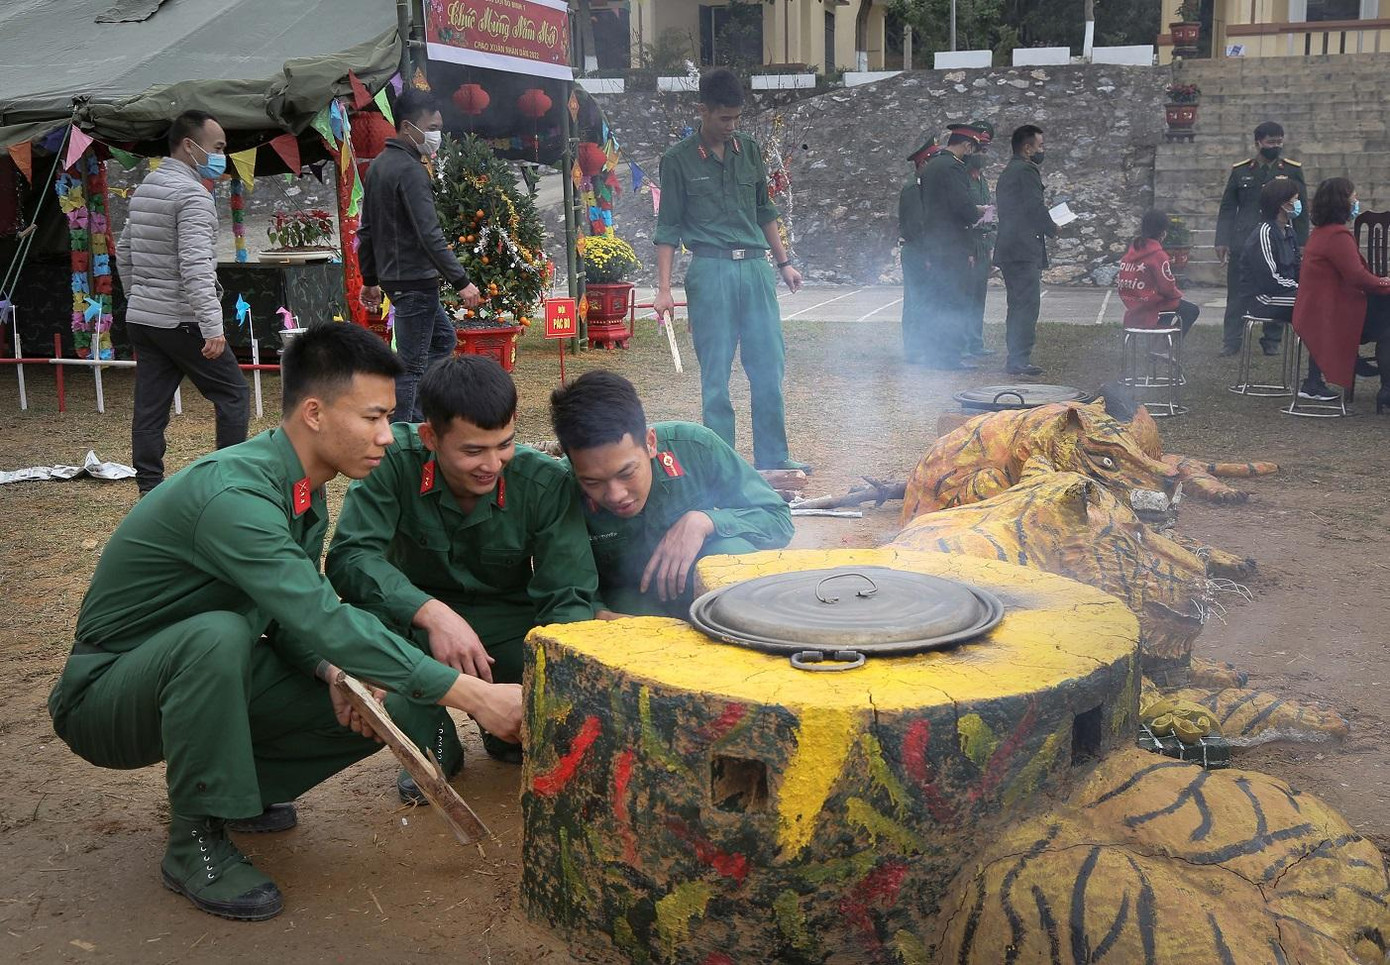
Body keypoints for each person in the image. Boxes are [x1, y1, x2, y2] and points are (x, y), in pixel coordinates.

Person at [46, 323, 522, 922]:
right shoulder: (236, 498)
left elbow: (297, 621)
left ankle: (238, 796)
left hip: (202, 675)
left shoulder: (300, 490)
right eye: (373, 417)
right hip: (104, 698)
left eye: (390, 418)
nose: (388, 437)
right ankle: (193, 843)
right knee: (216, 635)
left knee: (365, 691)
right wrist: (478, 697)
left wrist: (332, 671)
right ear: (316, 413)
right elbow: (320, 615)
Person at [326, 354, 598, 788]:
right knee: (368, 633)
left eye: (504, 443)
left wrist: (557, 687)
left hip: (505, 625)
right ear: (430, 436)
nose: (492, 464)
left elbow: (567, 596)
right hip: (413, 625)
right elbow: (350, 558)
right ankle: (430, 739)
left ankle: (509, 725)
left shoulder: (545, 483)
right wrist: (431, 612)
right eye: (473, 450)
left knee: (543, 650)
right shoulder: (392, 461)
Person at [652, 68, 809, 473]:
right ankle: (723, 462)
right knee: (716, 375)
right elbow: (667, 228)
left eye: (737, 118)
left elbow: (764, 210)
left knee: (768, 366)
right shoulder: (677, 161)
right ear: (702, 110)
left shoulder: (750, 150)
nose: (731, 126)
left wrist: (784, 262)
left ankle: (774, 457)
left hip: (756, 271)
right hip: (711, 271)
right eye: (724, 118)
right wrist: (664, 290)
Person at [550, 370, 794, 619]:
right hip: (628, 606)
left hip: (705, 593)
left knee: (731, 550)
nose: (615, 495)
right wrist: (599, 614)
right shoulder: (561, 486)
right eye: (592, 482)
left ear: (650, 442)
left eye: (627, 473)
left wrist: (707, 521)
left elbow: (778, 519)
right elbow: (566, 586)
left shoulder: (695, 449)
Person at [117, 110, 249, 496]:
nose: (223, 156)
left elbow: (124, 252)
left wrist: (136, 297)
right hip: (183, 319)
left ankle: (148, 487)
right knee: (233, 393)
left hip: (144, 318)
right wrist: (212, 326)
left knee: (150, 406)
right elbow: (195, 267)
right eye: (219, 147)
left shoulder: (146, 188)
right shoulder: (193, 195)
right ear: (190, 146)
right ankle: (231, 482)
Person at [357, 88, 481, 423]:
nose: (436, 135)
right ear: (409, 125)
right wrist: (462, 281)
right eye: (433, 126)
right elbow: (429, 234)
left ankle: (421, 414)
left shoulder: (380, 166)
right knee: (410, 366)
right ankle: (403, 436)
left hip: (397, 278)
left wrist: (369, 280)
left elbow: (365, 230)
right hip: (415, 279)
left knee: (443, 339)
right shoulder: (411, 171)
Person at [1292, 177, 1390, 411]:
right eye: (1353, 196)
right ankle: (1387, 389)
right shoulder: (1337, 236)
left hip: (1321, 309)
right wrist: (1385, 283)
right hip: (1334, 313)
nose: (1356, 201)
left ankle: (1373, 376)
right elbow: (1358, 277)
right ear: (1341, 202)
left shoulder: (1322, 232)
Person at [1215, 121, 1308, 357]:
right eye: (1270, 142)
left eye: (1279, 141)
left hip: (1277, 239)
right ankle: (1231, 340)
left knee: (1277, 288)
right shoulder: (1242, 170)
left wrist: (1301, 242)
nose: (1275, 146)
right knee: (1237, 293)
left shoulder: (1291, 169)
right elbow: (1228, 207)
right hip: (1244, 241)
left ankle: (1272, 341)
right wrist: (1222, 239)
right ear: (1258, 142)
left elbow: (1301, 208)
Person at [1239, 179, 1325, 398]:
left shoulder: (1288, 231)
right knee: (1316, 305)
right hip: (1263, 299)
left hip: (1284, 294)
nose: (1298, 205)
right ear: (1282, 204)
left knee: (1322, 301)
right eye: (1295, 200)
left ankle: (1317, 378)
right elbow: (1270, 280)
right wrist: (1302, 289)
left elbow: (1297, 268)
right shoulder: (1264, 233)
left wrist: (1307, 285)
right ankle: (1313, 383)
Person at [916, 122, 990, 370]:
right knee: (954, 300)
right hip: (953, 244)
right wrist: (976, 211)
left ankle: (936, 353)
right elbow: (962, 207)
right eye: (972, 148)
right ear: (967, 145)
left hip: (935, 242)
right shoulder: (953, 167)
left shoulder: (932, 166)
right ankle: (950, 356)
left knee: (938, 299)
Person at [993, 124, 1057, 377]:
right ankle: (1019, 359)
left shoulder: (1009, 171)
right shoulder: (1026, 171)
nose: (1043, 150)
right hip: (1022, 248)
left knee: (1017, 304)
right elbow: (1034, 206)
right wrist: (1052, 227)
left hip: (1011, 246)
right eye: (1040, 146)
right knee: (1026, 305)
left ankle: (1016, 357)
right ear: (1027, 148)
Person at [1116, 209, 1200, 334]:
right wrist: (1177, 295)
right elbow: (1167, 287)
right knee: (1191, 310)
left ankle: (1156, 344)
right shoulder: (1158, 255)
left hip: (1133, 303)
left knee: (1169, 305)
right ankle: (1164, 345)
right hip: (1152, 304)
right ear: (1163, 232)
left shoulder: (1132, 251)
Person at [898, 136, 942, 363]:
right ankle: (914, 350)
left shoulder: (924, 186)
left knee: (926, 299)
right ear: (924, 163)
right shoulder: (913, 189)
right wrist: (927, 255)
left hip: (922, 250)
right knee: (917, 300)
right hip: (917, 251)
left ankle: (924, 345)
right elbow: (916, 226)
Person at [962, 120, 998, 358]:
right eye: (980, 150)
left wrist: (992, 248)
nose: (984, 154)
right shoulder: (961, 178)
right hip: (968, 244)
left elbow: (989, 214)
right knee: (964, 298)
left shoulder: (981, 179)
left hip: (983, 244)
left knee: (978, 298)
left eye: (986, 149)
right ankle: (962, 344)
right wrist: (968, 251)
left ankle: (975, 342)